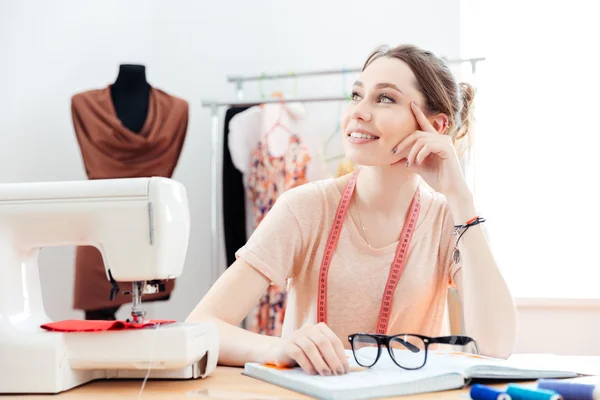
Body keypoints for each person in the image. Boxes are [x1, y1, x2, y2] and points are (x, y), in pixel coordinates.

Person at [187, 44, 517, 376]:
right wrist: (277, 347)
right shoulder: (304, 209)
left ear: (435, 125)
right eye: (356, 95)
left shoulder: (453, 220)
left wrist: (460, 196)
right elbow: (200, 326)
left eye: (385, 98)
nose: (358, 111)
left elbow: (496, 346)